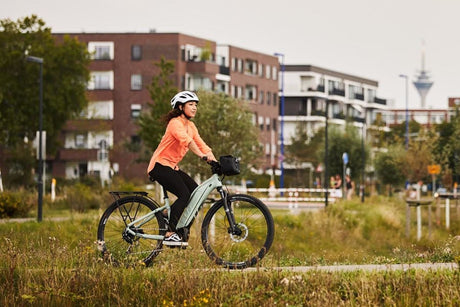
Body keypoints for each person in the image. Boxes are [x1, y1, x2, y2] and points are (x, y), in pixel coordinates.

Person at [147, 91, 216, 246]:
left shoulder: (190, 126)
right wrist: (202, 156)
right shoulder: (175, 123)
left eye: (196, 105)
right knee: (184, 194)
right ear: (180, 106)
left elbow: (201, 144)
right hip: (159, 166)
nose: (194, 108)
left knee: (195, 192)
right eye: (190, 104)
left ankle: (169, 217)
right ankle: (170, 233)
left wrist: (215, 161)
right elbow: (188, 142)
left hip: (172, 167)